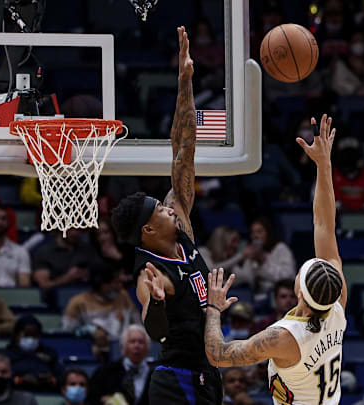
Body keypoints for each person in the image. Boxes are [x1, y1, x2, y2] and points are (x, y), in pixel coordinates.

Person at [110, 27, 223, 405]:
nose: (168, 207)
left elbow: (183, 148)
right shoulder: (150, 274)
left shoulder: (181, 230)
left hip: (206, 377)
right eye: (160, 209)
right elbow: (153, 328)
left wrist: (185, 82)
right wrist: (157, 301)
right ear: (147, 229)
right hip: (178, 383)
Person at [203, 114, 348, 405]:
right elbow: (323, 224)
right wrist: (324, 165)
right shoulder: (337, 304)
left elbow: (217, 355)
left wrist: (214, 309)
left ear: (299, 290)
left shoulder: (284, 337)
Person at [62, 264, 140, 341]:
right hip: (90, 350)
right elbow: (68, 333)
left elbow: (139, 326)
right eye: (116, 282)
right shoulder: (78, 302)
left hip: (122, 349)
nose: (120, 287)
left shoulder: (123, 296)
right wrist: (89, 330)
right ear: (102, 284)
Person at [88, 325, 154, 405]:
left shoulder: (156, 375)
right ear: (123, 347)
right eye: (132, 341)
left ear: (148, 348)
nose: (137, 346)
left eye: (141, 342)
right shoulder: (105, 372)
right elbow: (92, 399)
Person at [0, 315, 63, 393]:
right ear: (16, 335)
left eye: (34, 335)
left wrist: (51, 380)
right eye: (27, 335)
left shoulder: (50, 353)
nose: (31, 339)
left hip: (45, 392)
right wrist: (19, 380)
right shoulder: (3, 354)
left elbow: (61, 377)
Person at [237, 217, 296, 294]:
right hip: (257, 295)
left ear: (268, 233)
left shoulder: (281, 249)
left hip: (279, 295)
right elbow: (247, 280)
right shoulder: (252, 253)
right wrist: (248, 260)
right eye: (252, 232)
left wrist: (263, 261)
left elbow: (288, 277)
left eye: (259, 232)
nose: (255, 236)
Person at [331, 137, 364, 213]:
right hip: (335, 219)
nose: (349, 158)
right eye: (345, 154)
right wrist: (338, 206)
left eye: (352, 154)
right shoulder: (328, 174)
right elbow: (317, 199)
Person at [331, 30, 364, 96]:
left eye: (362, 41)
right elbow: (338, 84)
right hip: (347, 99)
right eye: (355, 41)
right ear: (350, 44)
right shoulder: (341, 63)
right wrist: (355, 90)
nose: (359, 44)